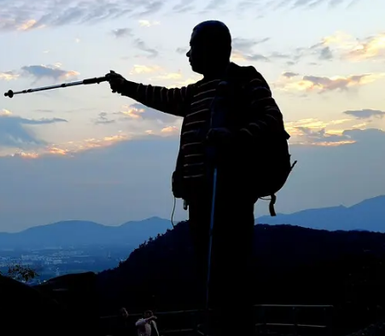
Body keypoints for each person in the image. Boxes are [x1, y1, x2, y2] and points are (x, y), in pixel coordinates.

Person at [106, 20, 288, 336]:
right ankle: (218, 325)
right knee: (209, 272)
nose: (188, 53)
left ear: (213, 47)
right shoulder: (197, 91)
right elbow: (162, 96)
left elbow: (272, 119)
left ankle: (234, 330)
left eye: (194, 46)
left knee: (230, 272)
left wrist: (236, 137)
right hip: (201, 198)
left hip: (229, 194)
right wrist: (124, 85)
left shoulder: (245, 80)